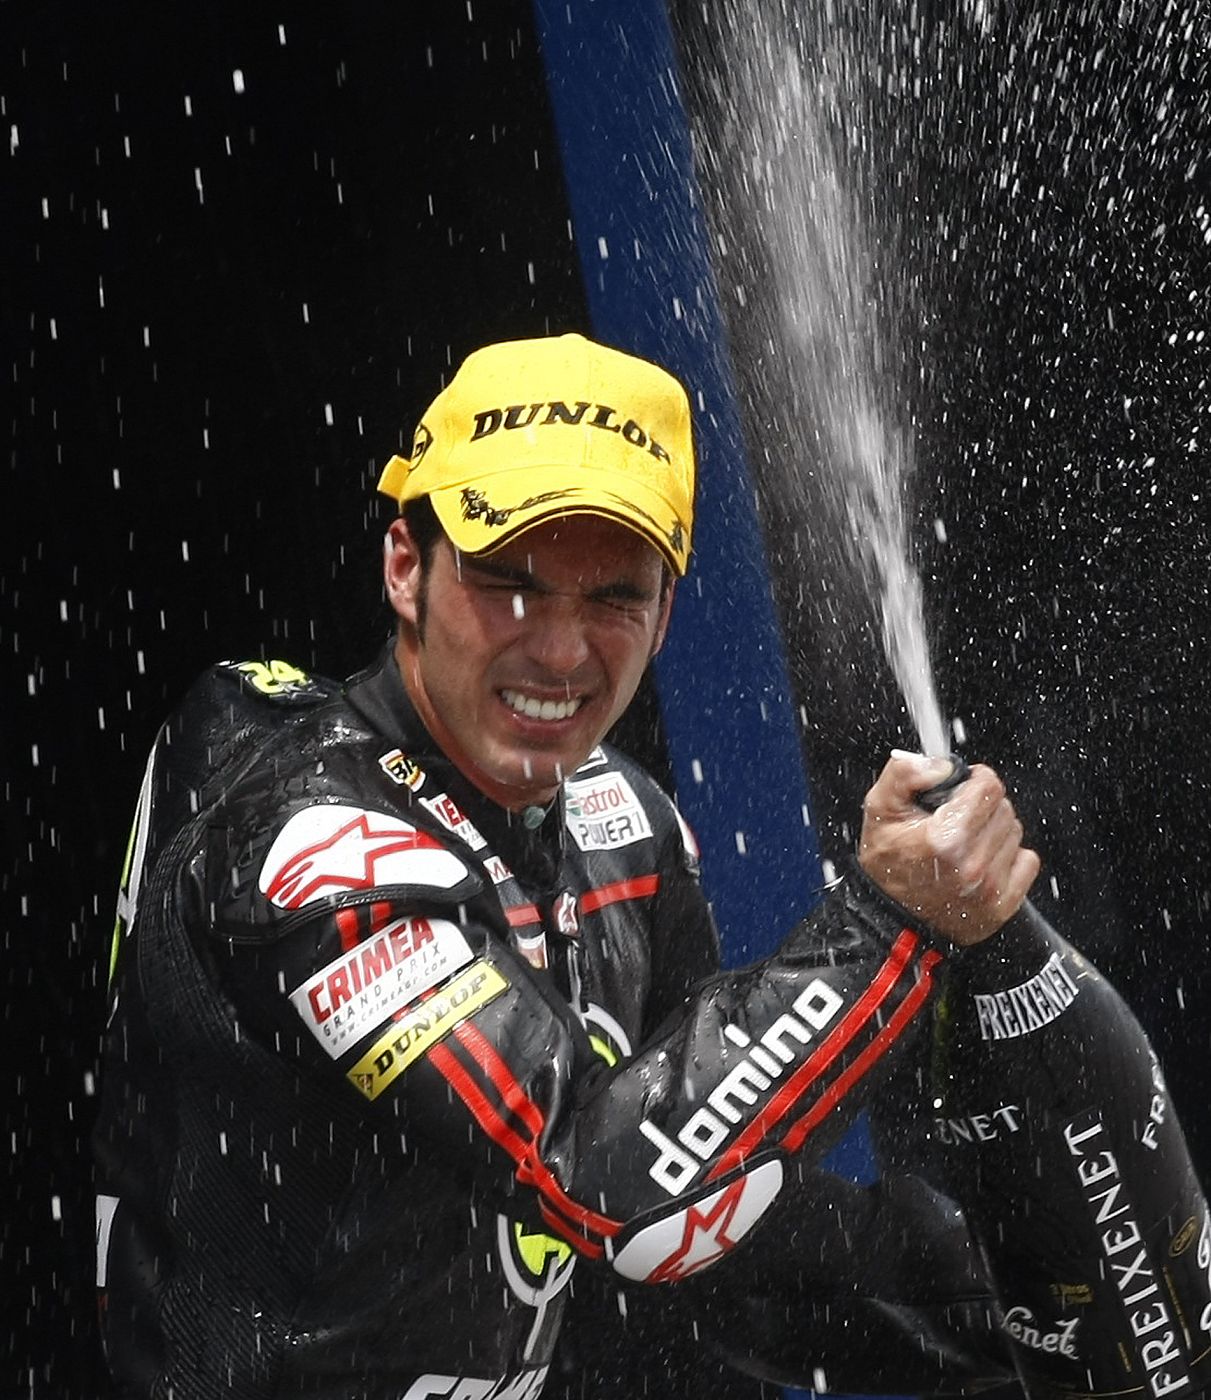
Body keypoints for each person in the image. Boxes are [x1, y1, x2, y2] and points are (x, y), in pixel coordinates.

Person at [94, 333, 1211, 1400]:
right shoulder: (295, 828)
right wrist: (883, 922)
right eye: (507, 578)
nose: (559, 647)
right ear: (404, 563)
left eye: (612, 594)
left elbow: (717, 1235)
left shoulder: (623, 827)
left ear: (667, 609)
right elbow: (609, 1188)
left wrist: (999, 1312)